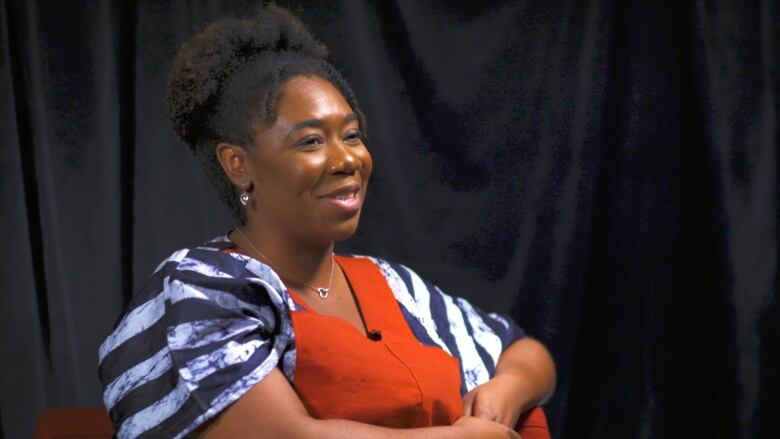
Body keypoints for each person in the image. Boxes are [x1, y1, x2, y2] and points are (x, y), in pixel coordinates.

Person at [98, 4, 555, 438]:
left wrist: (501, 393)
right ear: (238, 163)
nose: (346, 160)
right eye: (311, 141)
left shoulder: (392, 287)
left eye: (352, 135)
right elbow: (285, 437)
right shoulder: (204, 287)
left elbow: (524, 352)